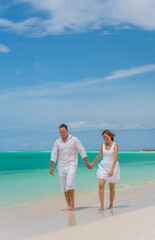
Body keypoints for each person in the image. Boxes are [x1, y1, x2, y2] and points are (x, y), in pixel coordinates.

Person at [50, 124, 92, 211]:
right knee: (64, 187)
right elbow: (54, 154)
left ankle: (72, 201)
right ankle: (68, 205)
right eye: (60, 132)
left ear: (67, 131)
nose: (62, 134)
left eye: (63, 132)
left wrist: (87, 162)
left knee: (69, 184)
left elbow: (82, 150)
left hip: (72, 165)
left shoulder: (74, 139)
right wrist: (51, 166)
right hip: (61, 166)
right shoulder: (57, 141)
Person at [90, 129, 120, 210]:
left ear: (110, 136)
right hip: (103, 166)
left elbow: (115, 158)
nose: (105, 139)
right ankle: (102, 205)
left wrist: (112, 169)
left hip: (112, 166)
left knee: (111, 188)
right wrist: (92, 163)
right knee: (101, 185)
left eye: (106, 137)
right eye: (104, 138)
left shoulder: (115, 145)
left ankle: (110, 205)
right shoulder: (103, 145)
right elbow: (99, 155)